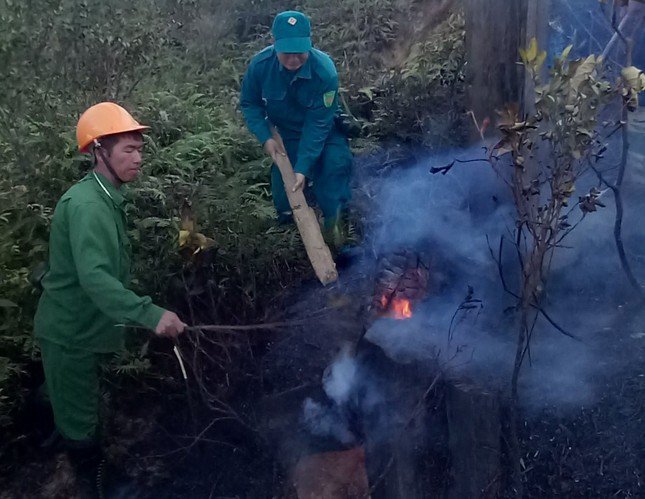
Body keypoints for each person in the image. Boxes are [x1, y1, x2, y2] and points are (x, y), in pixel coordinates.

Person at [33, 102, 186, 492]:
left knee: (65, 399)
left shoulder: (104, 195)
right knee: (80, 422)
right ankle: (89, 480)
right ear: (100, 150)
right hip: (71, 334)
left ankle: (47, 438)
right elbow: (97, 280)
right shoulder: (87, 206)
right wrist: (150, 315)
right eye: (127, 150)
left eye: (140, 149)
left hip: (81, 326)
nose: (138, 158)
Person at [240, 10, 353, 239]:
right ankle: (291, 240)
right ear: (274, 44)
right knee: (285, 199)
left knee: (334, 171)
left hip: (325, 131)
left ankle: (338, 235)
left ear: (310, 43)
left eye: (299, 52)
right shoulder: (260, 66)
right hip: (286, 136)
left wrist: (303, 168)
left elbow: (317, 125)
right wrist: (266, 137)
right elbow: (250, 104)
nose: (293, 59)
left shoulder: (324, 71)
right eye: (286, 52)